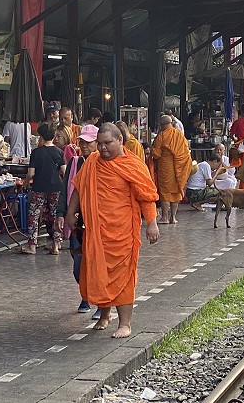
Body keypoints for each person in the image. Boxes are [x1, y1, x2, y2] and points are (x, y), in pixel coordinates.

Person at [64, 123, 160, 338]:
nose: (103, 148)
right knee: (99, 272)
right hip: (96, 230)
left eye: (108, 143)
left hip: (122, 232)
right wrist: (71, 212)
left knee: (123, 276)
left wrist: (152, 223)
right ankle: (104, 315)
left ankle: (125, 324)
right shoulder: (91, 163)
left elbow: (146, 196)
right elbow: (79, 188)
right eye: (100, 143)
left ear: (120, 141)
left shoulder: (133, 165)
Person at [57, 124, 99, 314]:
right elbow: (68, 190)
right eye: (83, 142)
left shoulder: (104, 164)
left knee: (97, 263)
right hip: (79, 222)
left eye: (89, 142)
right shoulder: (75, 163)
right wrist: (62, 213)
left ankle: (101, 303)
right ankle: (85, 295)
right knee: (78, 263)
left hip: (98, 222)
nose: (85, 146)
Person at [25, 123, 66, 255]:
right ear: (54, 136)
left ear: (40, 137)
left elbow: (31, 173)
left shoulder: (36, 153)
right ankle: (55, 245)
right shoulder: (60, 152)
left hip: (39, 187)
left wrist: (26, 182)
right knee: (55, 215)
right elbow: (64, 171)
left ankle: (31, 245)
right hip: (56, 187)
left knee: (34, 216)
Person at [151, 115, 192, 224]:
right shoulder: (179, 135)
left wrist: (151, 150)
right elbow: (186, 152)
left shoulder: (162, 136)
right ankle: (173, 218)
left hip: (166, 168)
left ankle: (164, 217)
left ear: (161, 125)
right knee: (176, 191)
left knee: (166, 192)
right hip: (179, 167)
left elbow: (156, 154)